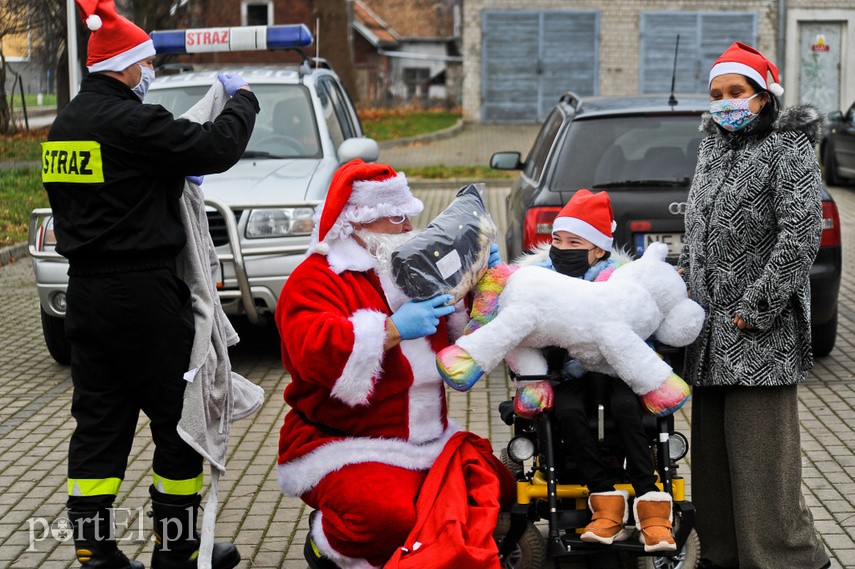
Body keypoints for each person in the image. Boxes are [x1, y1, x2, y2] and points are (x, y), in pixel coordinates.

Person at [42, 1, 259, 568]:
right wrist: (243, 101)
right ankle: (178, 549)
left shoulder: (64, 127)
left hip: (86, 295)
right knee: (177, 420)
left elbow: (119, 182)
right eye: (147, 64)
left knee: (99, 425)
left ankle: (94, 552)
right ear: (126, 65)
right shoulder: (132, 122)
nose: (150, 73)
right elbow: (216, 148)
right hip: (144, 296)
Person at [274, 159, 512, 569]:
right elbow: (311, 349)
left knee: (496, 487)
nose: (409, 227)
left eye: (409, 216)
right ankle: (325, 545)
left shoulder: (408, 266)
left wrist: (482, 278)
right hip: (346, 441)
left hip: (427, 437)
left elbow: (465, 332)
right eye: (398, 218)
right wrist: (389, 330)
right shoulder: (316, 277)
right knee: (387, 517)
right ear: (359, 221)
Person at [678, 42, 831, 569]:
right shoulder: (712, 147)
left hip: (758, 336)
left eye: (736, 91)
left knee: (762, 467)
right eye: (717, 93)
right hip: (707, 338)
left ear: (763, 96)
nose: (725, 102)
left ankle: (790, 559)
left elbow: (801, 234)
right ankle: (722, 556)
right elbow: (699, 235)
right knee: (714, 469)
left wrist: (756, 307)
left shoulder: (788, 147)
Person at [521, 189, 676, 553]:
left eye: (574, 242)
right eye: (557, 240)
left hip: (617, 370)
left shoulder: (621, 279)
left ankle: (650, 501)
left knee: (625, 407)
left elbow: (647, 321)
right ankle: (605, 500)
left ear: (599, 250)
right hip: (569, 372)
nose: (562, 249)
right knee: (567, 411)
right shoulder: (538, 279)